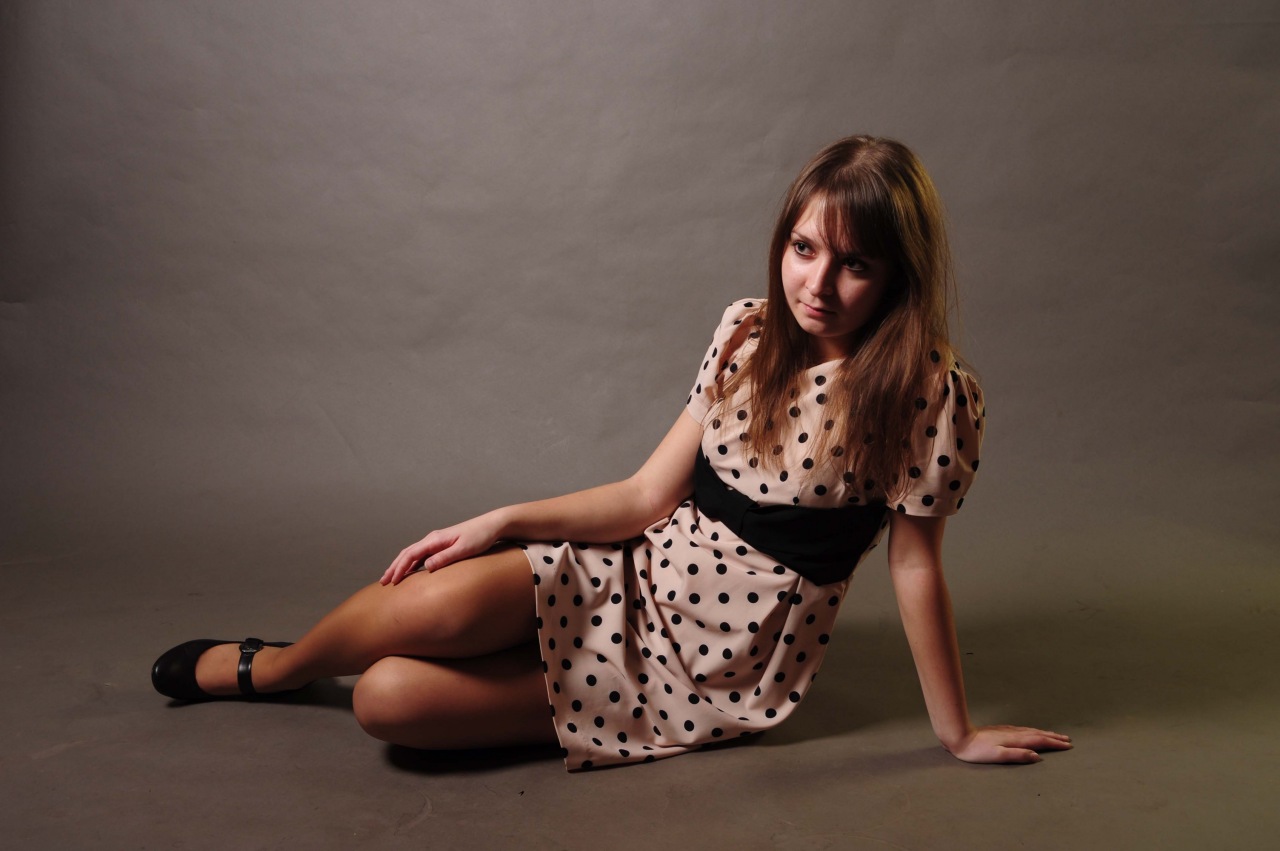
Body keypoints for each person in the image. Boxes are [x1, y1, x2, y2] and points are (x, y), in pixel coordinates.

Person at [152, 134, 1072, 770]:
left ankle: (540, 685)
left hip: (714, 663)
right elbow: (643, 497)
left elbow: (915, 567)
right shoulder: (748, 334)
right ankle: (276, 667)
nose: (816, 283)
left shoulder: (928, 392)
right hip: (639, 568)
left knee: (384, 700)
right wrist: (503, 519)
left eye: (853, 264)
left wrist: (956, 733)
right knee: (426, 602)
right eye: (803, 248)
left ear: (898, 276)